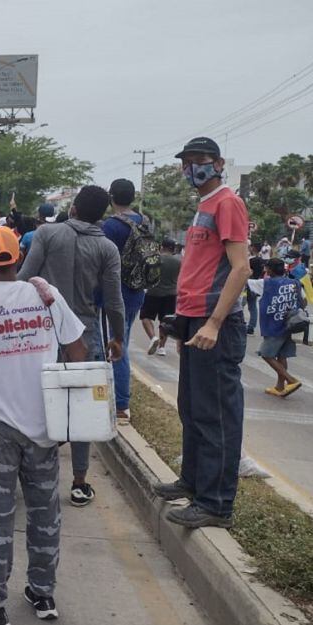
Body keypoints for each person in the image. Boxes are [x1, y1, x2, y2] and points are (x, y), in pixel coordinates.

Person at [0, 226, 87, 625]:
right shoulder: (45, 294)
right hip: (44, 423)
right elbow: (77, 348)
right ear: (19, 258)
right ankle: (42, 593)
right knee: (45, 512)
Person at [152, 137, 252, 529]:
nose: (191, 168)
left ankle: (215, 504)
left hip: (216, 323)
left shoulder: (228, 203)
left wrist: (213, 322)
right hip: (194, 320)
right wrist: (184, 324)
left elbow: (240, 268)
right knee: (192, 408)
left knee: (216, 416)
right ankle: (192, 482)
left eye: (199, 160)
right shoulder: (204, 206)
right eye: (186, 162)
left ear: (218, 164)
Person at [18, 185, 124, 507]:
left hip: (44, 328)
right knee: (80, 407)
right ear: (102, 216)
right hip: (84, 331)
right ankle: (79, 482)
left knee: (36, 397)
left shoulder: (47, 234)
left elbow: (25, 277)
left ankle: (32, 469)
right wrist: (118, 337)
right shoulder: (107, 248)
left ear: (73, 208)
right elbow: (114, 300)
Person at [101, 179, 146, 423]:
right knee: (122, 342)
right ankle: (120, 399)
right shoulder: (144, 221)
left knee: (117, 346)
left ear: (111, 198)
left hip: (116, 292)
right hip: (137, 289)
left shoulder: (111, 226)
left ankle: (121, 404)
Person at [252, 258, 304, 397]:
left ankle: (291, 380)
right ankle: (279, 387)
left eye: (266, 268)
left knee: (266, 354)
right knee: (281, 355)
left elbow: (245, 282)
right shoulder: (295, 283)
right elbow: (303, 301)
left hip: (273, 326)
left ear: (269, 270)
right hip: (289, 325)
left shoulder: (265, 283)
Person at [141, 239, 181, 357]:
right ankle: (162, 348)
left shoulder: (155, 259)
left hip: (153, 293)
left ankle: (153, 337)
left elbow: (146, 274)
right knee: (165, 321)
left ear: (162, 247)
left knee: (145, 317)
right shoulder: (178, 262)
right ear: (173, 249)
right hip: (171, 295)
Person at [246, 244, 265, 334]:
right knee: (253, 306)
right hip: (256, 284)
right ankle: (251, 326)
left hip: (248, 283)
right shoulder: (261, 260)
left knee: (240, 304)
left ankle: (240, 324)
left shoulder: (251, 260)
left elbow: (247, 271)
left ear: (253, 248)